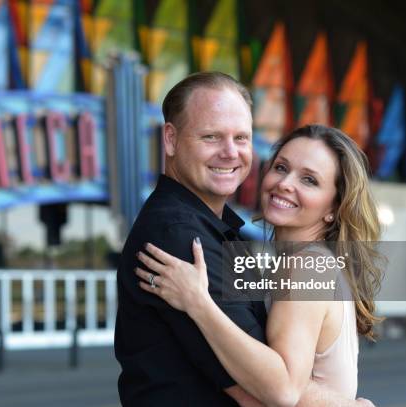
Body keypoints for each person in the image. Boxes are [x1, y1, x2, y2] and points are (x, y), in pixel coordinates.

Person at [115, 71, 375, 406]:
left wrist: (199, 304)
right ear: (170, 140)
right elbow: (265, 393)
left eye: (241, 138)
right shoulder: (180, 237)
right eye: (211, 137)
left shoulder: (305, 265)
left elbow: (278, 388)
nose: (230, 152)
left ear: (333, 207)